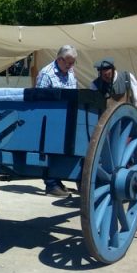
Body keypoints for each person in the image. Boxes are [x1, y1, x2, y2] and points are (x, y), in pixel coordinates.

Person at [36, 45, 78, 196]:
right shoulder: (46, 74)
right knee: (50, 151)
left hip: (68, 117)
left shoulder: (71, 72)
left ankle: (58, 182)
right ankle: (51, 184)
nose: (70, 66)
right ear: (59, 59)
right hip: (50, 120)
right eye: (68, 62)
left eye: (73, 62)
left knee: (63, 151)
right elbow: (39, 100)